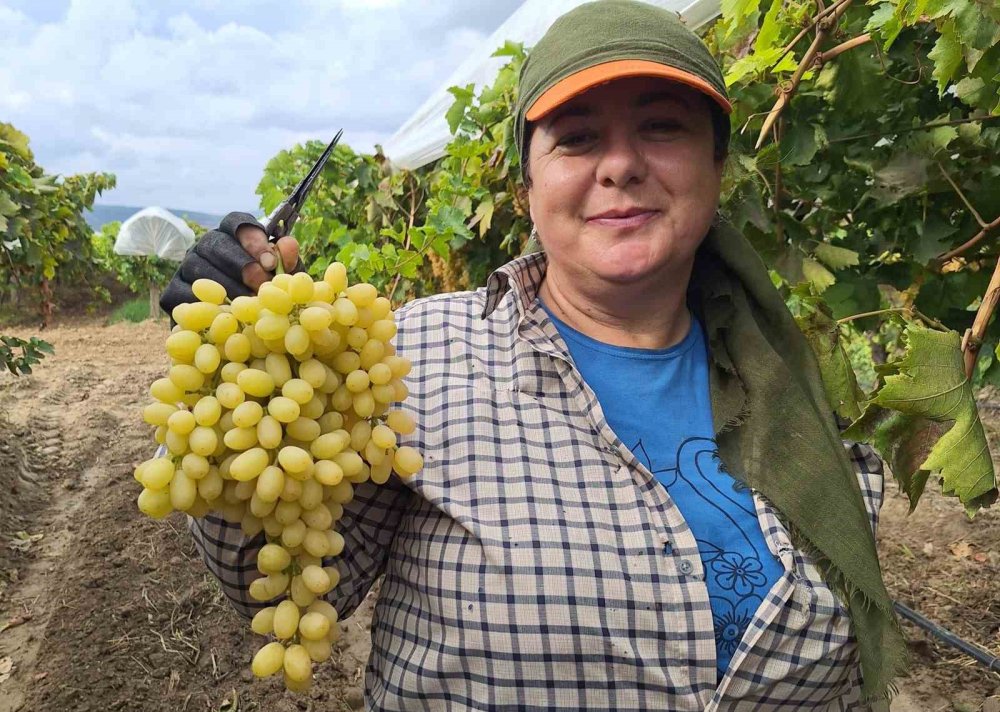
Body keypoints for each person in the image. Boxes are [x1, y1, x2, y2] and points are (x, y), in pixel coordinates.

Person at [160, 1, 906, 709]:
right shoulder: (403, 360)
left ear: (716, 168)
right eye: (577, 138)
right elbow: (290, 577)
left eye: (663, 128)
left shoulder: (799, 376)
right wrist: (240, 385)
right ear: (526, 187)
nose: (620, 165)